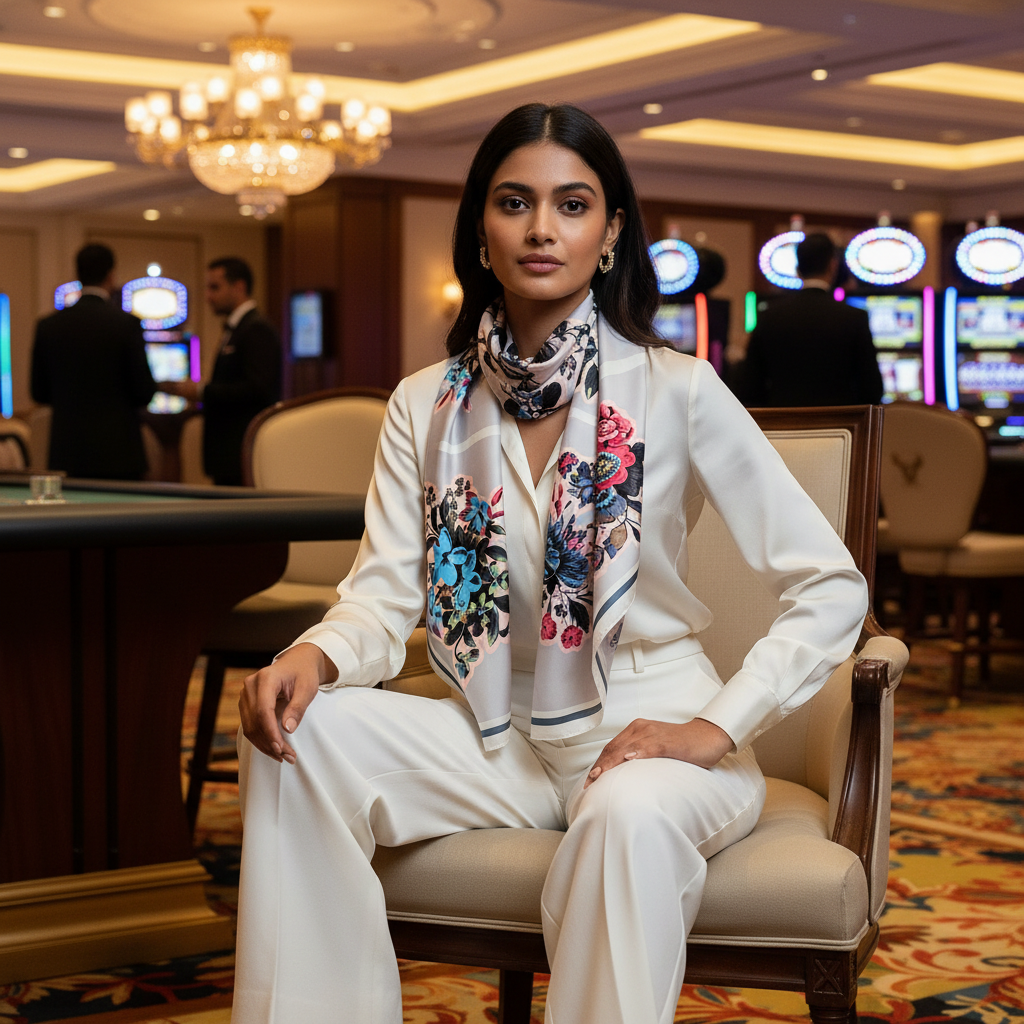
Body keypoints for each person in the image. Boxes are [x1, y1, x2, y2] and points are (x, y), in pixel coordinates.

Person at [232, 104, 869, 1024]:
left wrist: (720, 724)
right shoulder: (425, 404)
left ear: (610, 233)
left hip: (653, 726)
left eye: (572, 205)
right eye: (514, 202)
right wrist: (317, 656)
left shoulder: (678, 388)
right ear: (480, 232)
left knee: (625, 814)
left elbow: (830, 585)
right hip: (492, 727)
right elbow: (379, 596)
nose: (541, 229)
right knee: (303, 735)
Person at [31, 243, 155, 480]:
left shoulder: (49, 326)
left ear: (77, 274)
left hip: (68, 452)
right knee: (122, 517)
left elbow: (38, 392)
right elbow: (144, 392)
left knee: (73, 517)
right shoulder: (126, 324)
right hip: (120, 454)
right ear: (111, 275)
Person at [158, 257, 280, 485]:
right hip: (227, 456)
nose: (208, 296)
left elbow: (258, 389)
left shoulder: (256, 329)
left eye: (215, 287)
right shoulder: (237, 329)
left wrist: (202, 391)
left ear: (239, 287)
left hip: (242, 451)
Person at [737, 232, 884, 407]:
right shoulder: (854, 318)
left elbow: (749, 389)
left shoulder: (768, 316)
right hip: (839, 427)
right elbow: (872, 391)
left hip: (782, 426)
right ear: (833, 265)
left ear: (797, 269)